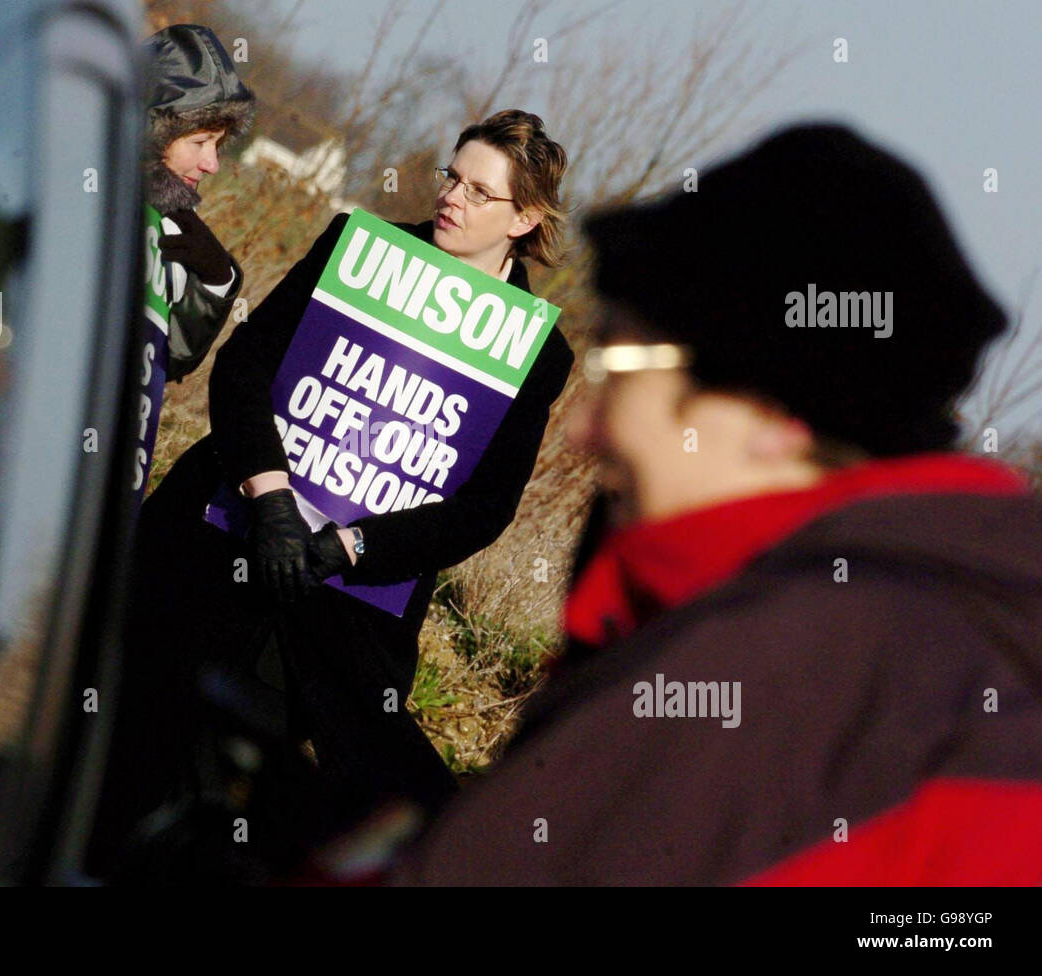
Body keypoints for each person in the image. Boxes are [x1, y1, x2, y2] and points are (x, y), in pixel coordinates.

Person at [393, 123, 1042, 885]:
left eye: (624, 366)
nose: (583, 429)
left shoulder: (769, 686)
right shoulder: (966, 630)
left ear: (773, 417)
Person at [90, 110, 574, 879]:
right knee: (132, 738)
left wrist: (349, 547)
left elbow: (484, 510)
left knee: (278, 803)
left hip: (348, 603)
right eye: (453, 176)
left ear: (525, 218)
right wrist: (273, 499)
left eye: (480, 192)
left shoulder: (539, 353)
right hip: (225, 533)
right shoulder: (362, 250)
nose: (452, 197)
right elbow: (245, 366)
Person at [132, 24, 254, 502]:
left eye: (219, 146)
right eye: (200, 141)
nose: (212, 165)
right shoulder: (82, 201)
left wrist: (217, 279)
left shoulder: (170, 230)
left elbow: (169, 358)